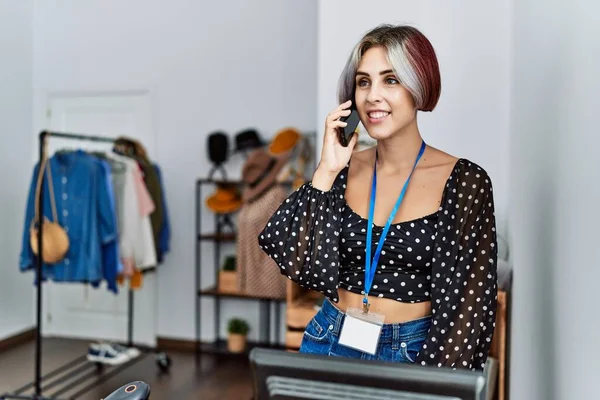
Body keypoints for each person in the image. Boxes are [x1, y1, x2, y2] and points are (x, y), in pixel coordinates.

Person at [258, 24, 498, 371]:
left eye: (391, 80)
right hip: (330, 341)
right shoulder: (341, 169)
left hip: (413, 355)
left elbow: (468, 311)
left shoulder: (466, 182)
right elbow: (297, 262)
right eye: (363, 81)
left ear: (419, 86)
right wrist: (325, 171)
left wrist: (435, 386)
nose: (372, 96)